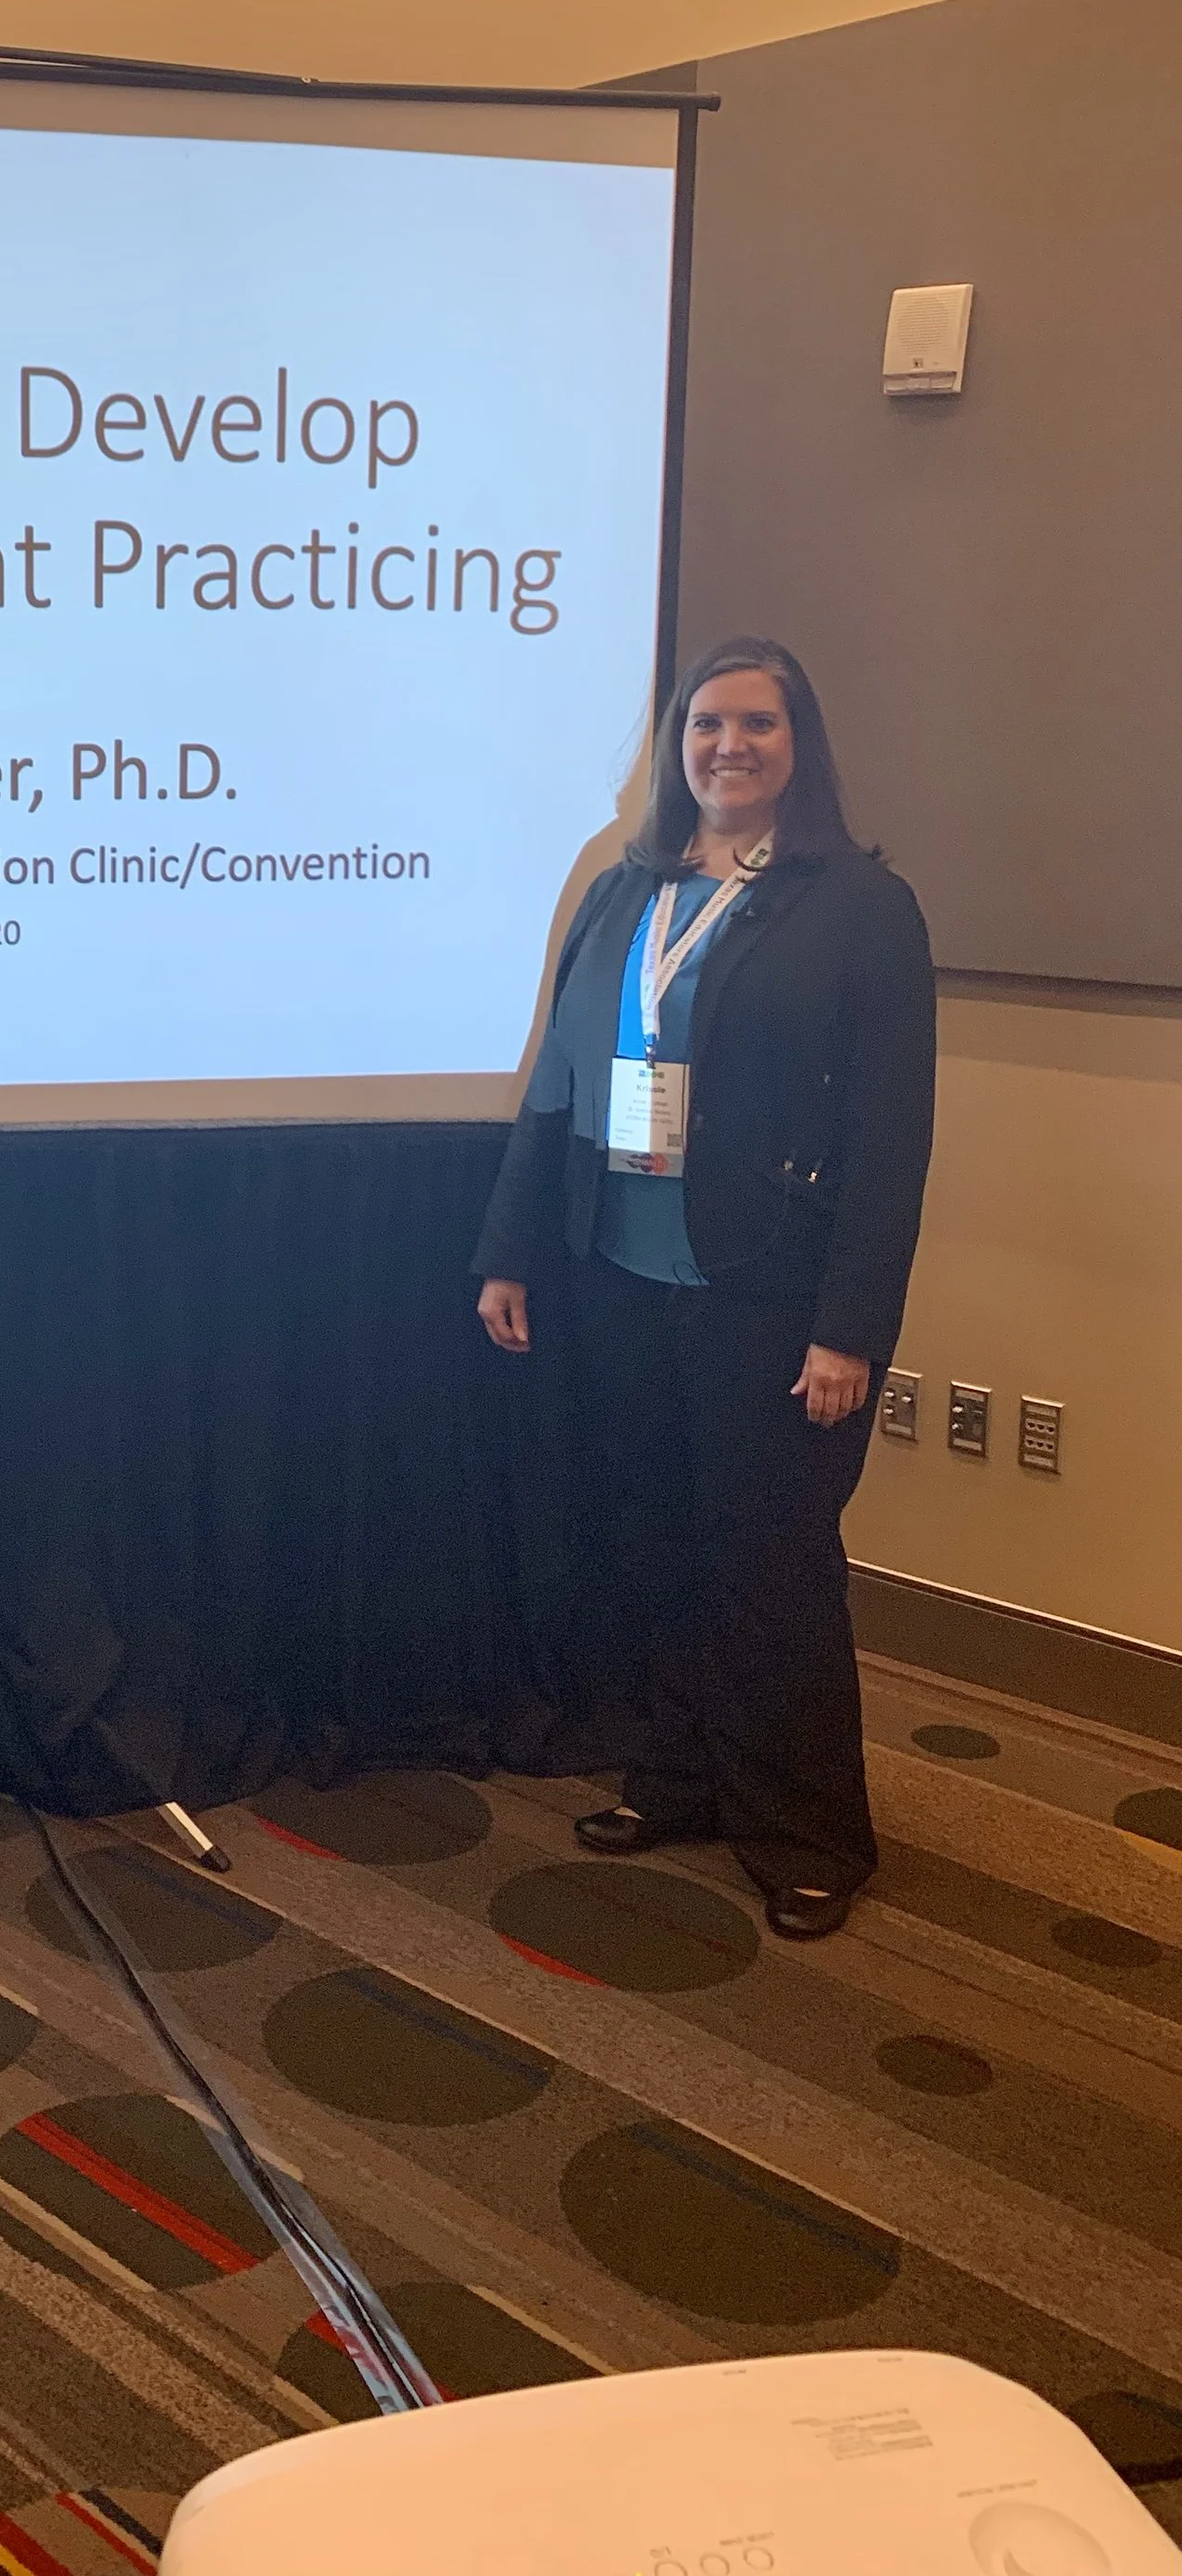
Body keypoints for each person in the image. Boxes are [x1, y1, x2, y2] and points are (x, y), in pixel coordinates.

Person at [472, 636, 936, 1938]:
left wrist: (851, 1326)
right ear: (675, 750)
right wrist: (509, 1248)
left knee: (770, 1564)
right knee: (656, 1544)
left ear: (802, 747)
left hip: (768, 1296)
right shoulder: (629, 895)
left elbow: (894, 1141)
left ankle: (807, 1830)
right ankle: (678, 1777)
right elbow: (554, 1085)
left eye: (759, 725)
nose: (729, 746)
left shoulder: (860, 907)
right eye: (706, 726)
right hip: (620, 1274)